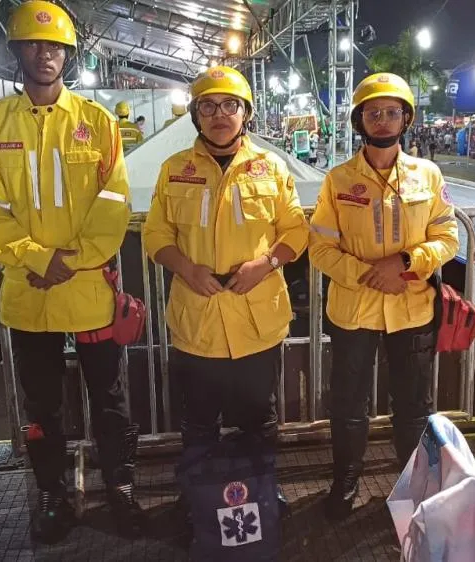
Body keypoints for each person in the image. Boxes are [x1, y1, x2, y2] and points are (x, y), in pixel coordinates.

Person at [0, 0, 144, 543]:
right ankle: (52, 495)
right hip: (28, 291)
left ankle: (121, 489)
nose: (46, 55)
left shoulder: (96, 123)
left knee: (109, 398)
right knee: (42, 407)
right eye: (35, 45)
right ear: (17, 51)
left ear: (68, 54)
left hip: (88, 290)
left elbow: (114, 200)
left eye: (56, 47)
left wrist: (71, 260)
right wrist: (40, 258)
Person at [142, 65, 308, 520]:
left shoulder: (270, 167)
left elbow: (296, 230)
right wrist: (185, 268)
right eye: (209, 106)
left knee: (261, 416)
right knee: (198, 422)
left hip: (256, 318)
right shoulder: (175, 170)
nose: (220, 114)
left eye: (230, 105)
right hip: (198, 317)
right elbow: (155, 235)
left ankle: (262, 489)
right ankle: (195, 495)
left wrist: (267, 263)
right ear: (196, 115)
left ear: (245, 113)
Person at [308, 72, 460, 520]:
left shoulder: (428, 175)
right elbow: (319, 246)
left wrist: (408, 263)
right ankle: (345, 483)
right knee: (348, 402)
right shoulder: (337, 180)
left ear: (406, 118)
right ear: (359, 120)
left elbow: (448, 237)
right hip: (353, 309)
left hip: (412, 308)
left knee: (413, 406)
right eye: (373, 112)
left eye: (392, 111)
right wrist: (370, 276)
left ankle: (418, 486)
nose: (382, 120)